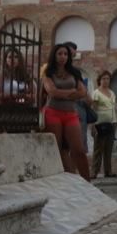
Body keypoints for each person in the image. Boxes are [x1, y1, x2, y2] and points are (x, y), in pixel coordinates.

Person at [42, 44, 90, 181]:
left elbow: (83, 92)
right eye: (59, 54)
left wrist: (62, 93)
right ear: (54, 55)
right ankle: (57, 180)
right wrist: (72, 92)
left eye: (65, 54)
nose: (63, 56)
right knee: (56, 149)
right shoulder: (48, 72)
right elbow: (52, 92)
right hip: (53, 113)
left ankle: (87, 182)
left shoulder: (74, 72)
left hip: (70, 114)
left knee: (79, 150)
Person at [91, 70, 117, 178]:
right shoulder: (96, 93)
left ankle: (108, 171)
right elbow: (94, 109)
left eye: (107, 79)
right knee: (98, 148)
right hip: (100, 123)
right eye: (103, 79)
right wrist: (93, 124)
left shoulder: (112, 92)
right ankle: (94, 171)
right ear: (99, 80)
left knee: (109, 147)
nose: (106, 81)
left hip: (112, 122)